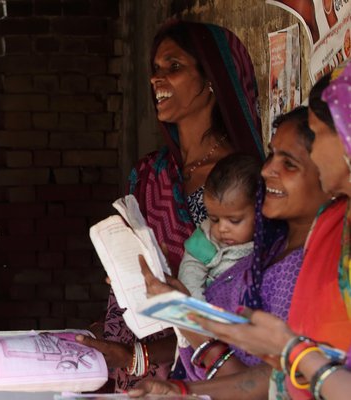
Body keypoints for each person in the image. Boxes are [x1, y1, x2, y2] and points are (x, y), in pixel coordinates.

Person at [81, 20, 265, 391]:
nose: (156, 79)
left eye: (174, 67)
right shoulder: (150, 172)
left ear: (211, 79)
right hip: (134, 362)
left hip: (207, 369)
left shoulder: (243, 183)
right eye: (155, 69)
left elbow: (236, 298)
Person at [128, 78, 340, 399]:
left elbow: (273, 379)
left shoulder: (314, 266)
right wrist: (178, 306)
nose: (268, 170)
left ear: (330, 171)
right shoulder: (266, 243)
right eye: (272, 155)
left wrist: (189, 326)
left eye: (290, 164)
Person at [188, 66, 351, 399]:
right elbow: (283, 376)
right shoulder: (332, 225)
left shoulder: (330, 236)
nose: (267, 170)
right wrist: (182, 389)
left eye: (318, 135)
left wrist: (291, 349)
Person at [178, 153, 259, 300]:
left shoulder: (270, 245)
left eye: (234, 221)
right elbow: (190, 274)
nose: (222, 229)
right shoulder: (207, 237)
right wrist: (202, 311)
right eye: (214, 219)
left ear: (260, 210)